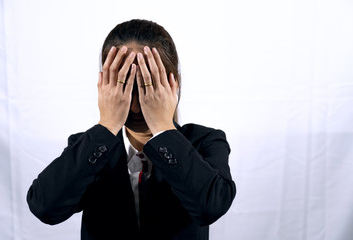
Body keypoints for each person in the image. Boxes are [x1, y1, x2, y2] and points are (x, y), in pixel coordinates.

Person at [27, 19, 236, 240]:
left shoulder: (206, 141)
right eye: (124, 87)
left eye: (148, 86)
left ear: (173, 83)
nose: (135, 106)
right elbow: (45, 208)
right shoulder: (89, 147)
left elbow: (210, 207)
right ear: (105, 85)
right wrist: (107, 126)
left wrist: (163, 128)